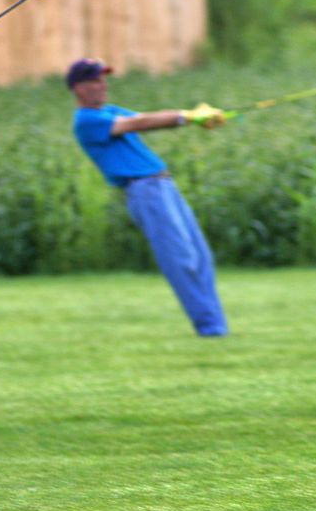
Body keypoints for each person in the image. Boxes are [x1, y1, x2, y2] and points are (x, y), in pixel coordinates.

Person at [67, 59, 231, 337]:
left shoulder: (109, 112)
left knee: (200, 255)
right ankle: (209, 328)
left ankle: (217, 325)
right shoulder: (87, 121)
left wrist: (192, 119)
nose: (103, 85)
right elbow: (139, 123)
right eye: (95, 80)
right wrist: (188, 116)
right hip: (145, 191)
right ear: (78, 88)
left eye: (103, 79)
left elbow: (149, 118)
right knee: (181, 258)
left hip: (164, 186)